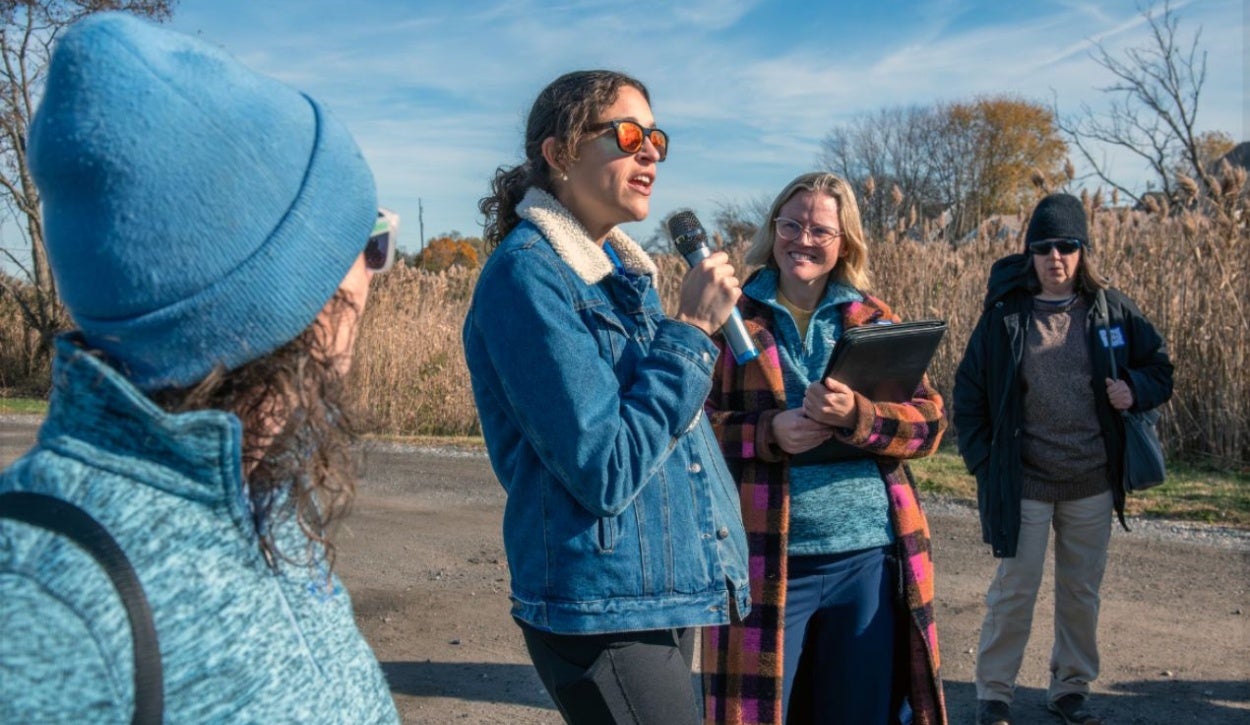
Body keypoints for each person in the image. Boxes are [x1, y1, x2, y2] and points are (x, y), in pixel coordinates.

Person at [0, 14, 399, 723]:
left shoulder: (261, 493)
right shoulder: (41, 609)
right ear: (291, 299)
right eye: (370, 240)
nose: (377, 272)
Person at [462, 70, 751, 725]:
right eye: (626, 135)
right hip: (602, 602)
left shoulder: (619, 278)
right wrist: (690, 331)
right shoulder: (527, 276)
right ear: (559, 153)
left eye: (656, 138)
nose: (649, 152)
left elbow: (663, 434)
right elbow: (605, 464)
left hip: (656, 585)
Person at [701, 171, 947, 725]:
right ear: (773, 230)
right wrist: (768, 433)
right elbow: (686, 427)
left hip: (867, 559)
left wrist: (860, 417)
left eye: (820, 230)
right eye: (791, 225)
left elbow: (930, 424)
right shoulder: (729, 316)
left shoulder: (873, 319)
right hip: (763, 557)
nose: (803, 240)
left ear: (844, 242)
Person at [953, 193, 1173, 725]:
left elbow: (1160, 368)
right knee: (1014, 591)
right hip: (1024, 482)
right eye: (1044, 246)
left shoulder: (1112, 309)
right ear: (1029, 253)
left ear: (1083, 251)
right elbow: (968, 395)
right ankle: (994, 694)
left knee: (1080, 592)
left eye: (1068, 245)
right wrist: (985, 465)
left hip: (1091, 482)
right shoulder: (1004, 316)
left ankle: (1071, 687)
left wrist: (1135, 388)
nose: (1056, 257)